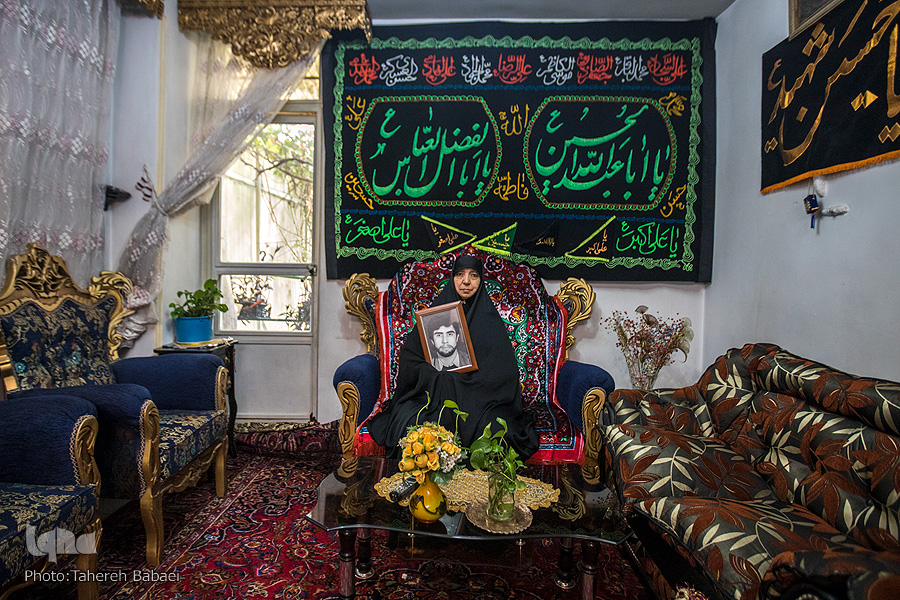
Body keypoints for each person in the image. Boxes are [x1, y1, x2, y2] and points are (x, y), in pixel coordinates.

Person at [366, 255, 539, 460]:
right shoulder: (435, 316)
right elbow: (410, 359)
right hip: (436, 397)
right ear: (452, 277)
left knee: (496, 430)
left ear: (481, 279)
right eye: (460, 274)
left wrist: (464, 382)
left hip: (480, 400)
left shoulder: (490, 320)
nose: (466, 281)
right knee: (413, 422)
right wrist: (434, 376)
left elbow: (503, 373)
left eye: (473, 275)